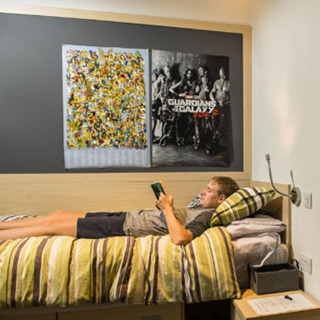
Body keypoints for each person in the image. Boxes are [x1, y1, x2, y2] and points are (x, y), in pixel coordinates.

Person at [0, 176, 239, 245]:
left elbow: (180, 238)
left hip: (124, 227)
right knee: (57, 215)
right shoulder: (198, 207)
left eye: (209, 190)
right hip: (126, 216)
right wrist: (167, 207)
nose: (203, 192)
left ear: (221, 198)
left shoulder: (208, 216)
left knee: (50, 227)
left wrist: (167, 209)